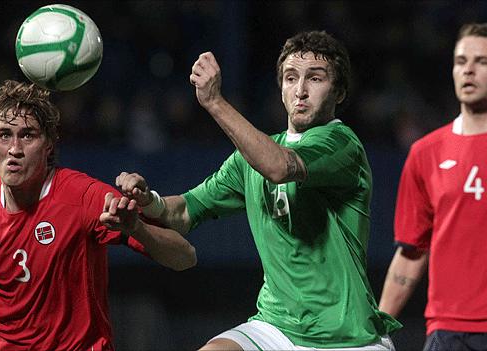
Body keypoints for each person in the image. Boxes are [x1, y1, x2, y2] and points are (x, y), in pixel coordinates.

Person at [115, 30, 401, 350]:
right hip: (276, 326)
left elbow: (279, 168)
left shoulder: (342, 144)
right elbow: (183, 212)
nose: (301, 90)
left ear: (340, 92)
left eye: (315, 79)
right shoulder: (250, 157)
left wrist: (214, 102)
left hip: (346, 336)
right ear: (280, 88)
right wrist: (147, 200)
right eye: (291, 78)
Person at [0, 80, 197, 351]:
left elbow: (185, 257)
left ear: (49, 144)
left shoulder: (86, 197)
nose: (14, 149)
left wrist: (137, 227)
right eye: (4, 135)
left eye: (28, 135)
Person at [379, 22, 487, 351]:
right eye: (461, 61)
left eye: (483, 61)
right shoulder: (425, 152)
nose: (468, 70)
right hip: (447, 328)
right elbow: (412, 250)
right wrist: (378, 328)